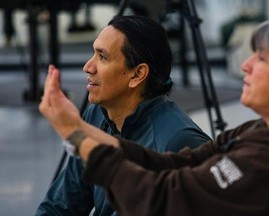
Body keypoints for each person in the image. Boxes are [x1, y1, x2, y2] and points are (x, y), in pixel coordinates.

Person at [39, 15, 269, 215]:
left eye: (262, 58)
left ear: (137, 75)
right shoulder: (255, 130)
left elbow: (164, 197)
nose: (246, 65)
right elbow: (170, 165)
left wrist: (74, 133)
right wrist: (76, 129)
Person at [35, 15, 211, 215]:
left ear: (137, 75)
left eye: (103, 57)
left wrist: (71, 130)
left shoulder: (179, 140)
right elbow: (61, 205)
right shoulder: (97, 114)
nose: (88, 67)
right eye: (93, 53)